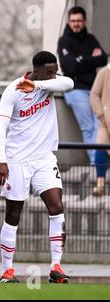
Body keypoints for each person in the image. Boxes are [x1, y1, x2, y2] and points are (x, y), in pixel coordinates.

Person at [0, 51, 74, 283]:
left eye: (54, 71)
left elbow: (69, 83)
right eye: (49, 72)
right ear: (35, 70)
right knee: (13, 214)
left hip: (44, 159)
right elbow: (0, 127)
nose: (53, 76)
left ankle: (56, 266)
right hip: (17, 160)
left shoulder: (48, 84)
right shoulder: (14, 90)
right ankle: (7, 271)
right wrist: (1, 159)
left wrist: (39, 84)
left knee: (57, 207)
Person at [57, 6, 107, 164]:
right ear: (69, 22)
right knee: (89, 128)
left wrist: (80, 59)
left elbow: (103, 59)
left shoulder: (90, 39)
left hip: (93, 90)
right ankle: (97, 164)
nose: (76, 24)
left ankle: (100, 163)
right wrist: (89, 60)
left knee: (100, 126)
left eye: (79, 21)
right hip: (75, 90)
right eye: (73, 21)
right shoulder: (64, 41)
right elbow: (69, 67)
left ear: (84, 22)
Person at [90, 55, 110, 196]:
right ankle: (100, 184)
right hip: (105, 121)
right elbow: (94, 95)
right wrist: (100, 114)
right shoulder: (104, 72)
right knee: (101, 150)